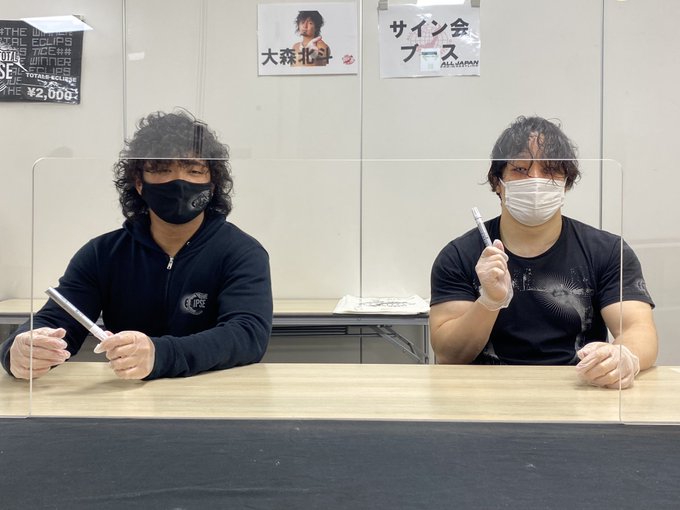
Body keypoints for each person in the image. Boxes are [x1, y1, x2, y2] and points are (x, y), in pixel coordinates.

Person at [1, 110, 273, 380]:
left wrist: (161, 354)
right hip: (128, 395)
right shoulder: (102, 254)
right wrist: (20, 349)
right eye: (163, 169)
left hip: (213, 395)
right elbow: (57, 321)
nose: (179, 181)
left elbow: (247, 335)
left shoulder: (242, 252)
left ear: (212, 185)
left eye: (194, 170)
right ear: (140, 183)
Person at [429, 115, 657, 389]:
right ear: (497, 182)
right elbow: (449, 355)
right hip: (484, 397)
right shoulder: (459, 255)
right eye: (520, 169)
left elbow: (638, 330)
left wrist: (623, 356)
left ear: (566, 182)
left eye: (550, 170)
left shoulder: (607, 251)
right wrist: (489, 302)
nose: (536, 180)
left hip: (580, 390)